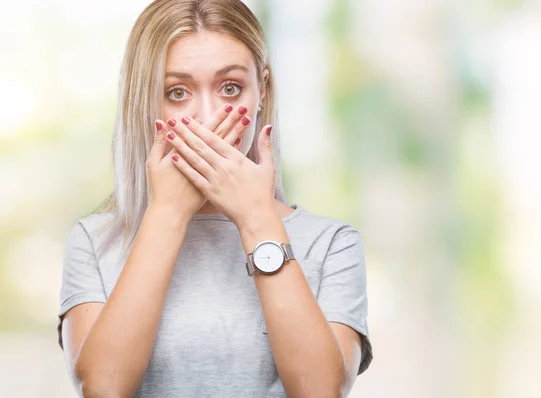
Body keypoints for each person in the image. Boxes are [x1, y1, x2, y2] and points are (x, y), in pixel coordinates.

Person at [57, 0, 373, 396]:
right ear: (147, 102)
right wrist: (168, 212)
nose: (207, 117)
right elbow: (102, 389)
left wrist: (257, 218)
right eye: (177, 91)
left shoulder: (332, 244)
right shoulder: (94, 241)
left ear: (262, 91)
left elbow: (320, 391)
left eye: (230, 88)